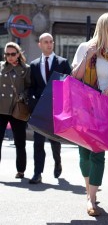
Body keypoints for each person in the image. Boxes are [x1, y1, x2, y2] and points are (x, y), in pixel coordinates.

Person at [72, 12, 108, 216]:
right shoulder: (86, 47)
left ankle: (92, 199)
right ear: (104, 27)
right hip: (84, 104)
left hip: (106, 106)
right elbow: (74, 77)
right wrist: (87, 58)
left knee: (98, 152)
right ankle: (89, 192)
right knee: (83, 152)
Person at [29, 33, 71, 184]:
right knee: (38, 142)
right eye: (45, 42)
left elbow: (69, 84)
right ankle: (37, 173)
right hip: (40, 110)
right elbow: (32, 87)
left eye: (51, 41)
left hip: (56, 109)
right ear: (40, 44)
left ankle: (58, 162)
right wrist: (33, 101)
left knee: (55, 142)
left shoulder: (63, 63)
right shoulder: (33, 65)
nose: (49, 44)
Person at [0, 42, 31, 179]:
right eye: (7, 54)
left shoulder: (26, 69)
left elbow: (30, 87)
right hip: (1, 109)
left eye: (13, 54)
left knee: (20, 141)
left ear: (18, 54)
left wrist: (23, 95)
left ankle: (21, 170)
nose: (10, 57)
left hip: (17, 108)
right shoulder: (0, 67)